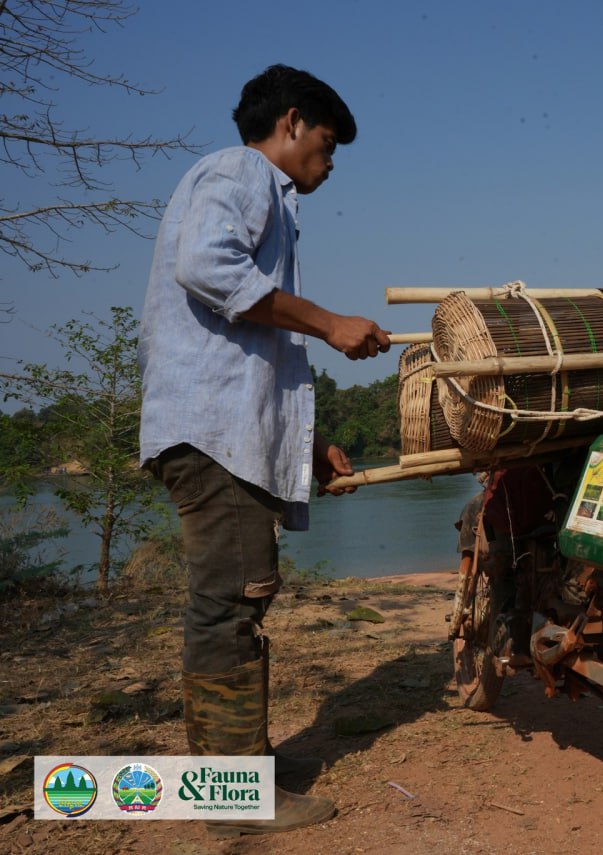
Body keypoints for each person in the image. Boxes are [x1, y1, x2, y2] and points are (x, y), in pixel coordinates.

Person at [139, 64, 391, 837]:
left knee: (240, 601)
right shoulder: (240, 170)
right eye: (325, 140)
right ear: (288, 123)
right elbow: (207, 266)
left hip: (226, 431)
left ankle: (238, 761)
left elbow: (250, 348)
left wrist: (306, 444)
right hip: (211, 436)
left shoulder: (260, 195)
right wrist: (328, 321)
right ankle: (230, 796)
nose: (331, 158)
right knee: (228, 608)